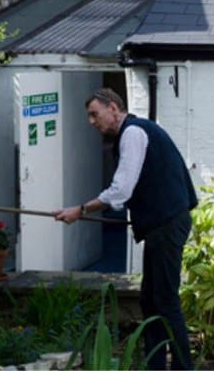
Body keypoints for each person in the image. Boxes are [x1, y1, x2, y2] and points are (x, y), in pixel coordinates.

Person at [54, 87, 197, 370]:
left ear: (114, 109)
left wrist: (80, 210)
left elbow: (120, 191)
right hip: (162, 223)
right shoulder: (136, 132)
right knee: (150, 299)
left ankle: (183, 367)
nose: (92, 122)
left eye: (95, 115)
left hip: (167, 225)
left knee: (165, 301)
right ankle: (155, 365)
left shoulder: (132, 134)